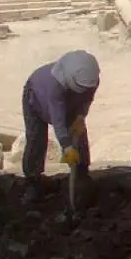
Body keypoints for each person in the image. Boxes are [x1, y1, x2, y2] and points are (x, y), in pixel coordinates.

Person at [20, 50, 100, 202]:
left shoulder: (91, 80)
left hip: (71, 102)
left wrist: (81, 116)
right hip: (36, 98)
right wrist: (66, 146)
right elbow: (58, 120)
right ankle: (33, 181)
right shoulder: (54, 86)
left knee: (79, 136)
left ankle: (82, 176)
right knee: (36, 138)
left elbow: (88, 98)